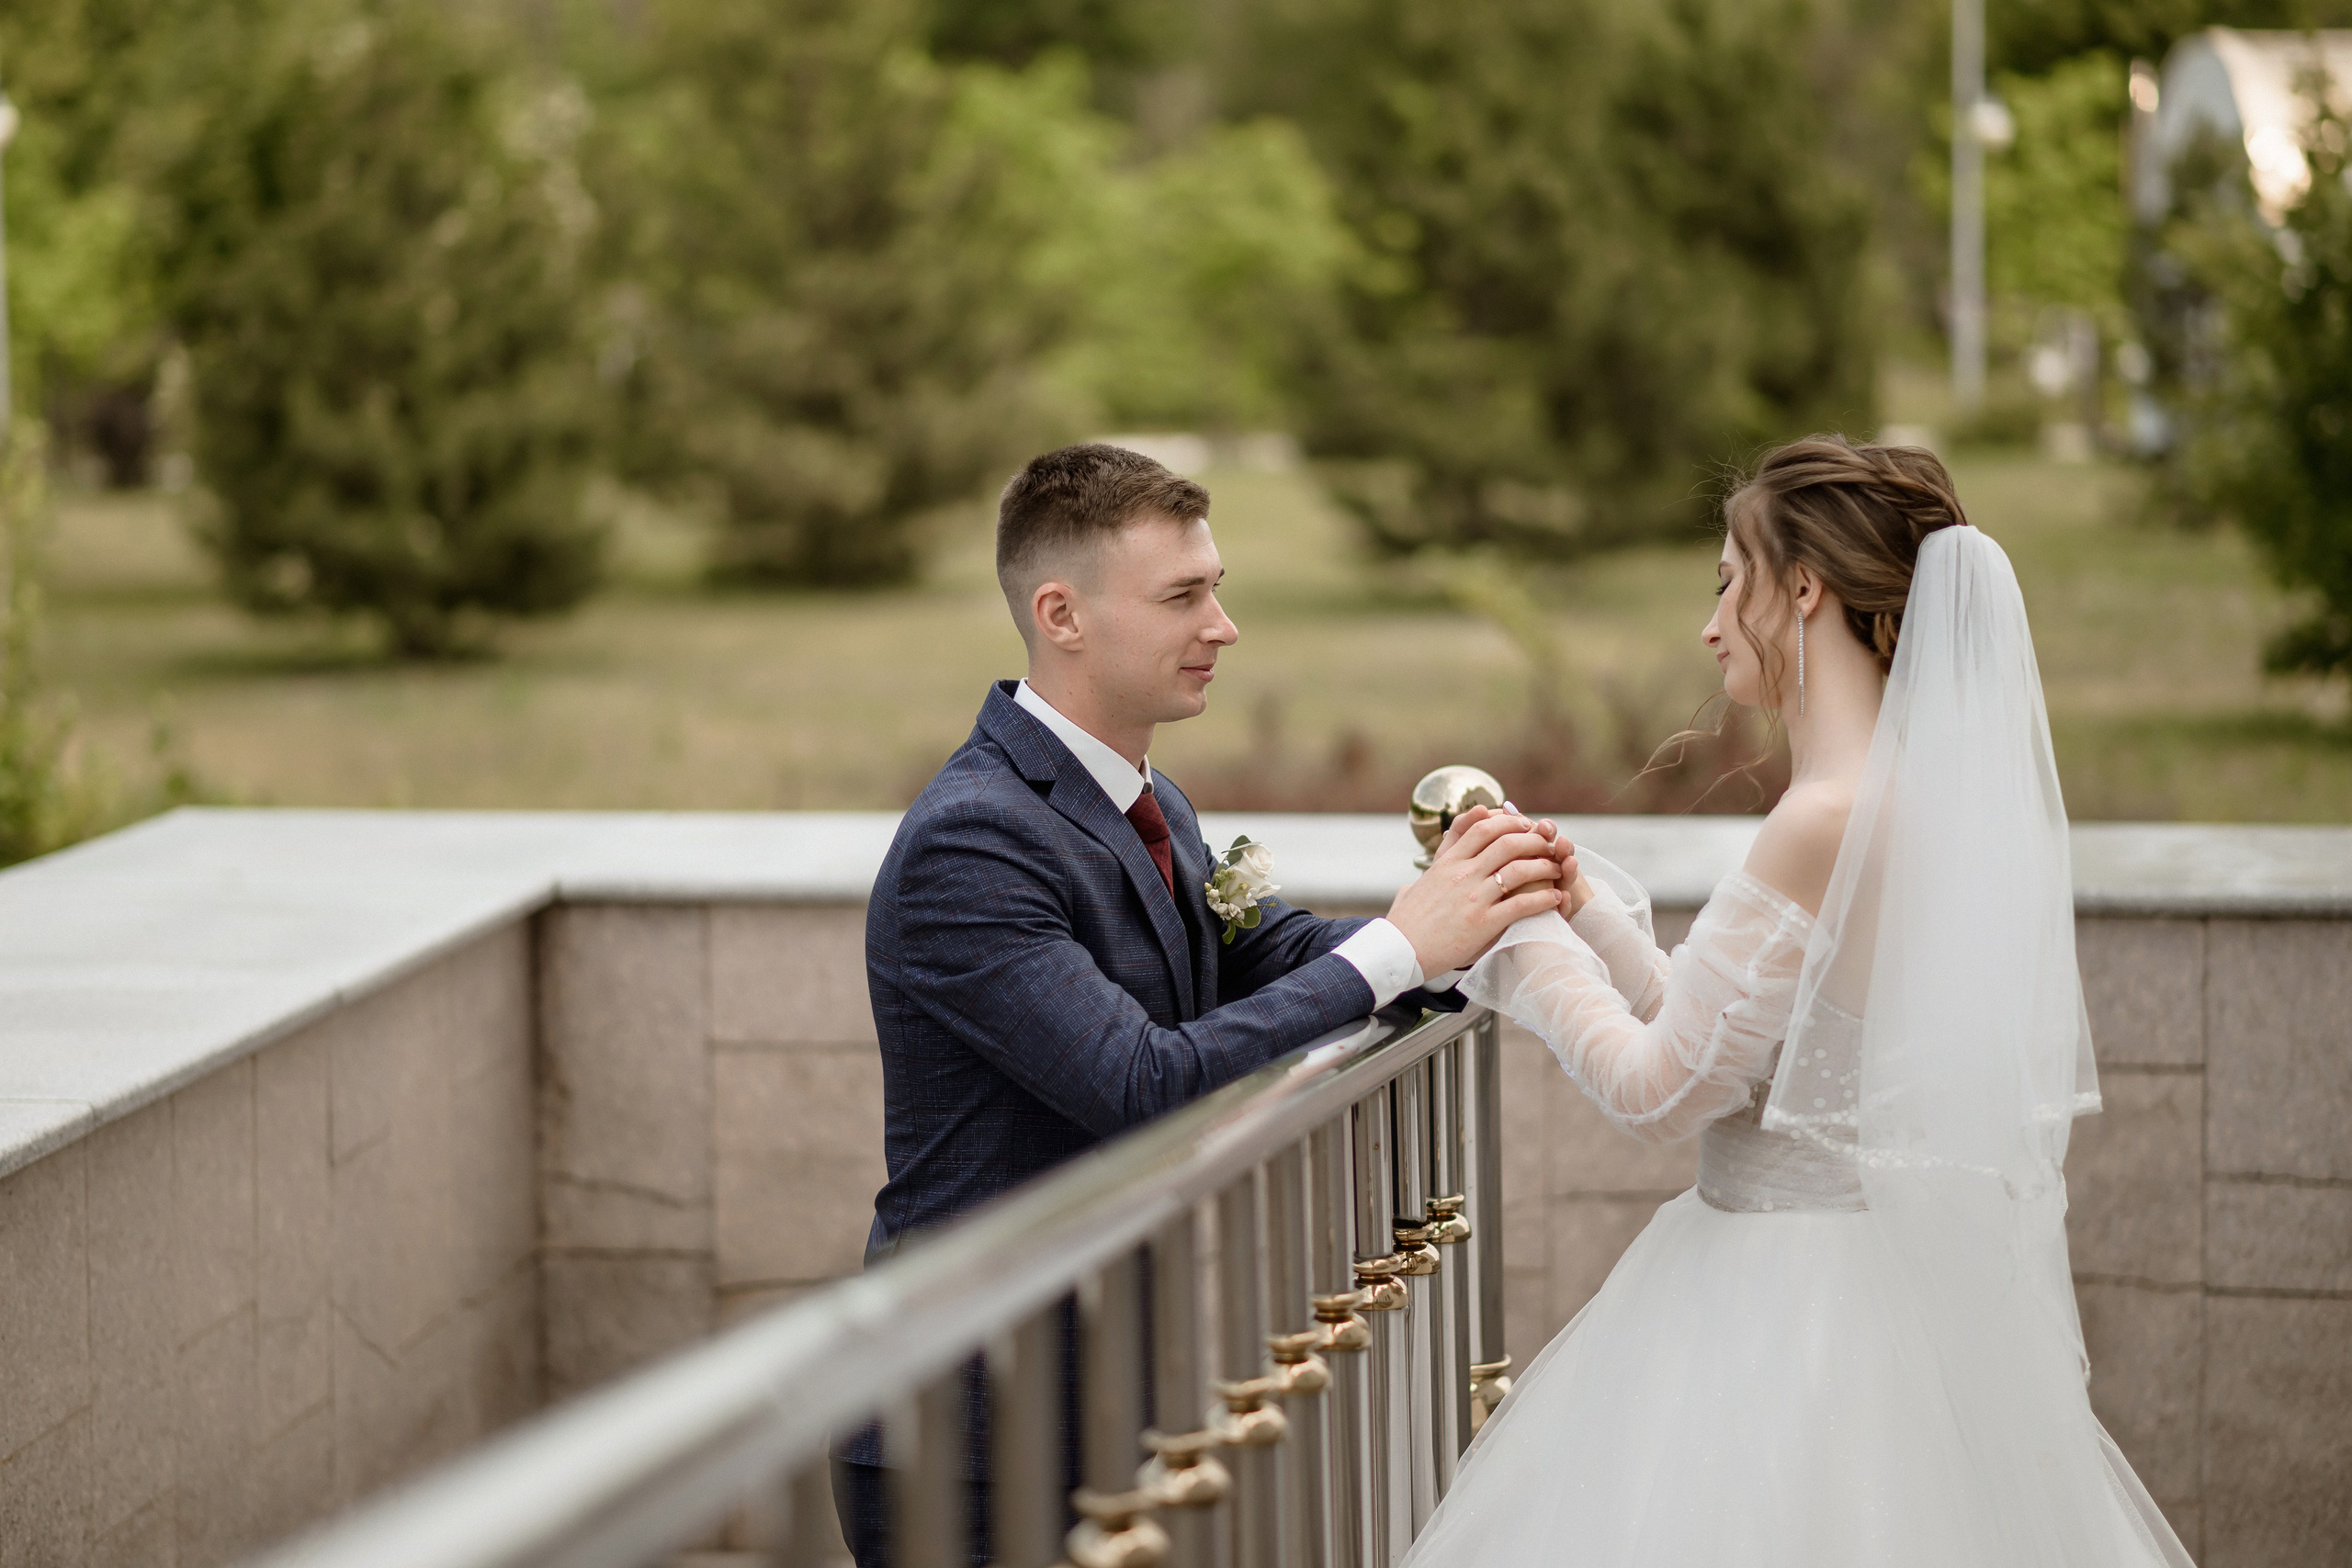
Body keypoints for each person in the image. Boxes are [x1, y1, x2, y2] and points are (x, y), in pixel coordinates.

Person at [1406, 436, 2197, 1567]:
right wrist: (1588, 915)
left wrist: (1515, 939)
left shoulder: (1824, 817)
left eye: (1729, 578)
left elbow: (1659, 1091)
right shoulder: (1913, 797)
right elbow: (1751, 1045)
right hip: (1893, 1302)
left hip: (1786, 1314)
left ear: (1805, 588)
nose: (1712, 620)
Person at [837, 443, 1572, 1565]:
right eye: (1183, 596)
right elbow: (1144, 1085)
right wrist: (1400, 943)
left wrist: (1467, 919)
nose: (1222, 625)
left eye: (1215, 588)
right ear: (1061, 614)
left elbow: (1278, 954)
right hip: (963, 1428)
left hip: (1093, 1395)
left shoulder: (1147, 798)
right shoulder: (971, 842)